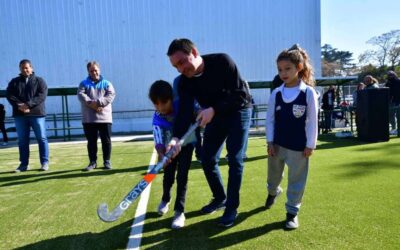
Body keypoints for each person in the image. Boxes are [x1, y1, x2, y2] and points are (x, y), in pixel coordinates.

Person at [166, 38, 252, 227]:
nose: (180, 69)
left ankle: (231, 207)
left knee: (235, 159)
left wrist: (213, 109)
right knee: (207, 158)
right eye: (176, 67)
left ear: (194, 52)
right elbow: (184, 114)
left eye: (182, 62)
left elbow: (241, 95)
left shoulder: (222, 61)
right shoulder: (184, 82)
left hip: (239, 110)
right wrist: (175, 138)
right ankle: (220, 197)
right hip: (215, 115)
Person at [265, 44, 318, 229]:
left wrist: (310, 144)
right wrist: (270, 141)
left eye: (288, 68)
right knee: (273, 177)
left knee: (296, 180)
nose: (283, 73)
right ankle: (273, 192)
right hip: (277, 145)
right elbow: (270, 120)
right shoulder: (277, 93)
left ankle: (292, 213)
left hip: (299, 147)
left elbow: (312, 121)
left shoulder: (308, 93)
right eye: (280, 69)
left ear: (299, 68)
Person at [149, 80, 196, 229]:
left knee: (182, 176)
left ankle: (179, 211)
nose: (160, 107)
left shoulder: (181, 105)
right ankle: (165, 199)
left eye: (164, 102)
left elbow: (195, 111)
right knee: (168, 175)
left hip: (186, 144)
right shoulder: (157, 116)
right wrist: (161, 152)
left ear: (171, 98)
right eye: (156, 103)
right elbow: (158, 136)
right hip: (169, 147)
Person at [6, 59, 49, 172]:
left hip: (37, 115)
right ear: (20, 69)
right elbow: (9, 95)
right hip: (20, 116)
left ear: (32, 68)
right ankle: (23, 164)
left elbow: (42, 95)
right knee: (22, 140)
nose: (25, 70)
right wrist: (19, 105)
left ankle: (44, 162)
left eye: (27, 67)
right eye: (22, 68)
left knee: (42, 138)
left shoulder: (40, 81)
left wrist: (28, 105)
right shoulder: (14, 82)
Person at [77, 61, 116, 171]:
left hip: (105, 118)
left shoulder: (107, 83)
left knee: (106, 141)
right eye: (91, 70)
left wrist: (98, 103)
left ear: (99, 70)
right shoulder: (83, 83)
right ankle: (92, 162)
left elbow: (111, 95)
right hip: (89, 119)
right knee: (91, 141)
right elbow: (81, 95)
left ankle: (107, 161)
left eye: (96, 70)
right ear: (88, 71)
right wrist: (92, 104)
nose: (94, 72)